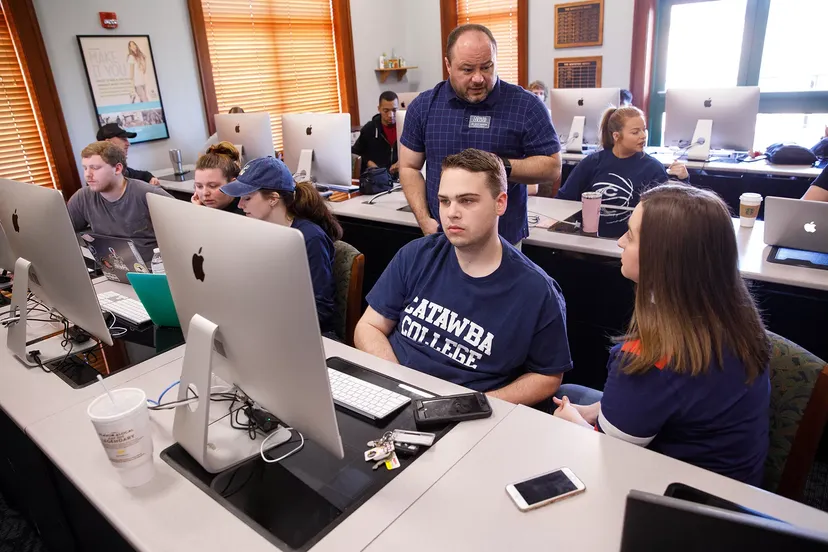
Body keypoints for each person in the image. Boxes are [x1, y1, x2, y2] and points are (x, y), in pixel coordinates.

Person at [552, 183, 770, 486]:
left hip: (684, 504)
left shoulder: (649, 358)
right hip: (735, 481)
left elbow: (607, 460)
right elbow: (674, 396)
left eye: (630, 235)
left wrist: (571, 423)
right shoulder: (735, 318)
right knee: (577, 395)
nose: (619, 243)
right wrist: (593, 412)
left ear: (661, 258)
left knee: (558, 420)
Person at [355, 149, 572, 405]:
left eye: (467, 200)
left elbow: (547, 375)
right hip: (393, 392)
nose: (451, 213)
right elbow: (368, 327)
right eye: (444, 201)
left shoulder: (536, 291)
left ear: (500, 203)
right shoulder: (416, 255)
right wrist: (400, 384)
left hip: (468, 412)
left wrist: (475, 404)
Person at [399, 24, 562, 246]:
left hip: (503, 241)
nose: (478, 78)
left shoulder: (526, 106)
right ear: (448, 65)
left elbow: (553, 167)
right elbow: (409, 167)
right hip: (442, 237)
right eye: (467, 70)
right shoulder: (424, 106)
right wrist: (424, 220)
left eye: (486, 67)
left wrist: (497, 166)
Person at [220, 156, 340, 335]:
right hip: (268, 325)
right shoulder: (258, 231)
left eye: (247, 198)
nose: (240, 204)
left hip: (307, 335)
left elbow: (321, 310)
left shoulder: (309, 239)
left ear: (273, 199)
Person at [556, 106, 688, 220]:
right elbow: (564, 199)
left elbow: (669, 211)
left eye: (644, 129)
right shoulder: (592, 162)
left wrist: (684, 181)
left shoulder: (653, 168)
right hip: (589, 237)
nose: (643, 136)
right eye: (635, 132)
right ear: (616, 136)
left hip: (631, 241)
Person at [69, 141, 172, 263]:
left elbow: (184, 232)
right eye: (85, 168)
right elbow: (61, 232)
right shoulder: (83, 197)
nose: (87, 175)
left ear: (117, 169)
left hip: (154, 269)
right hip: (113, 270)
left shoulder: (148, 194)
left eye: (95, 168)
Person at [352, 91, 400, 176]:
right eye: (386, 111)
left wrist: (403, 162)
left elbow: (418, 153)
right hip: (376, 179)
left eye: (394, 110)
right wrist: (368, 163)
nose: (391, 115)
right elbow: (354, 153)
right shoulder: (369, 129)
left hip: (400, 178)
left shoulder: (405, 128)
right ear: (379, 109)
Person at [96, 123, 160, 186]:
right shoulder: (99, 174)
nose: (128, 144)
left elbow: (143, 175)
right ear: (108, 142)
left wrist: (151, 178)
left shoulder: (120, 168)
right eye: (123, 139)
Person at [191, 142, 245, 214]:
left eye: (213, 186)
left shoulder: (247, 214)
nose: (205, 193)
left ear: (233, 185)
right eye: (199, 186)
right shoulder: (199, 206)